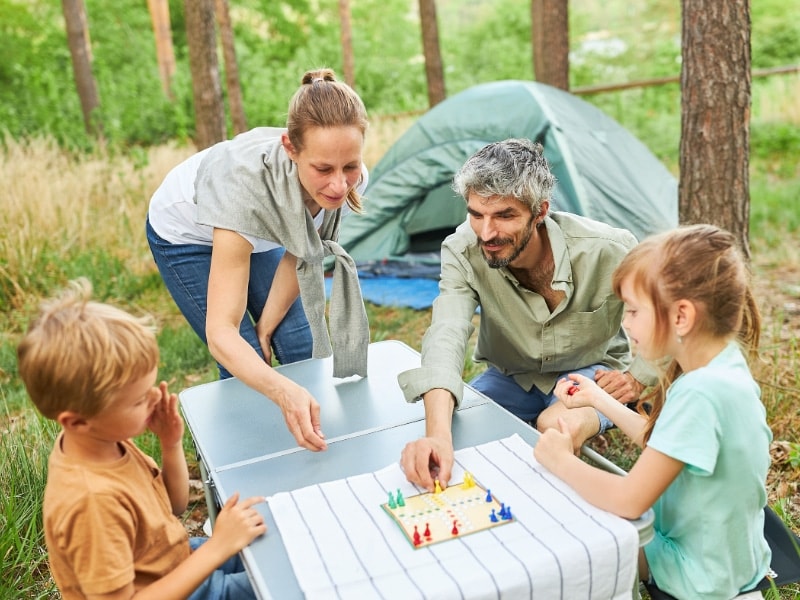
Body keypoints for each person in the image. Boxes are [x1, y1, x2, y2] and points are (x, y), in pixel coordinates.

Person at [398, 138, 656, 491]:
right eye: (476, 214)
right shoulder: (460, 250)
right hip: (511, 376)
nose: (487, 233)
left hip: (591, 372)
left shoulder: (609, 249)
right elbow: (446, 334)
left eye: (504, 216)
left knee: (554, 428)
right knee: (454, 431)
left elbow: (671, 309)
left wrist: (639, 377)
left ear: (540, 212)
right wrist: (438, 436)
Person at [534, 224, 772, 599]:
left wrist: (561, 460)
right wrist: (599, 398)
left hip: (694, 576)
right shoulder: (723, 370)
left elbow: (630, 499)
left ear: (681, 317)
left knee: (571, 543)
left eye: (632, 310)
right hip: (730, 565)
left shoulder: (699, 394)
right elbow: (665, 441)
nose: (625, 323)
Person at [146, 68, 370, 452]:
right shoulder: (242, 193)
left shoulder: (350, 181)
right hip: (188, 234)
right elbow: (222, 334)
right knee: (244, 358)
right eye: (323, 169)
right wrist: (281, 390)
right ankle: (247, 460)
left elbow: (299, 252)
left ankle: (321, 450)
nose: (339, 185)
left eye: (348, 166)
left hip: (261, 230)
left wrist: (267, 326)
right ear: (290, 148)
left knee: (298, 341)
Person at [16, 278, 268, 599]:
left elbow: (172, 506)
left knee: (271, 545)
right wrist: (217, 548)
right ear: (77, 421)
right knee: (280, 587)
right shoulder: (91, 501)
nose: (152, 399)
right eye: (136, 401)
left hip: (175, 561)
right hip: (175, 588)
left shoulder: (105, 441)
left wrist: (170, 443)